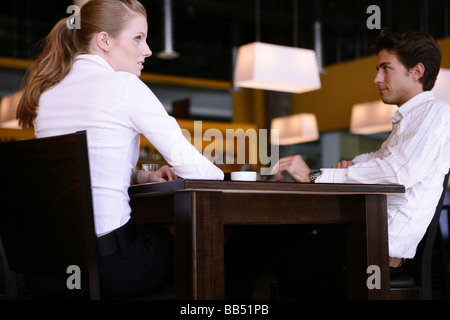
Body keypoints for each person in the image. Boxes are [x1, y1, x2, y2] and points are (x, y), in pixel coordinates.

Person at [16, 0, 223, 298]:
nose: (148, 50)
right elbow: (198, 170)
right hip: (108, 271)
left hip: (49, 272)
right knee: (188, 248)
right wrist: (232, 183)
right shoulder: (124, 86)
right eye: (138, 38)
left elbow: (79, 171)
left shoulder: (48, 94)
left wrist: (140, 178)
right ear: (104, 41)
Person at [273, 28, 450, 270]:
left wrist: (313, 176)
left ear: (417, 71)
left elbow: (397, 174)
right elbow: (379, 158)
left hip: (374, 249)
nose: (377, 78)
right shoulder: (410, 118)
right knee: (261, 239)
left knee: (256, 244)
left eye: (386, 68)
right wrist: (356, 165)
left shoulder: (434, 113)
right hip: (362, 235)